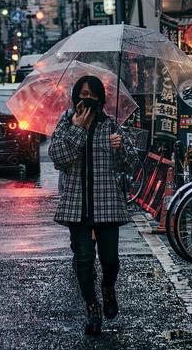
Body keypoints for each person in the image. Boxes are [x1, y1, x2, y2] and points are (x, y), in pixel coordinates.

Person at [48, 75, 129, 336]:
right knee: (82, 260)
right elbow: (59, 158)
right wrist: (77, 129)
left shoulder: (111, 125)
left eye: (92, 94)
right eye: (82, 94)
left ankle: (107, 288)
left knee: (110, 260)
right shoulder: (66, 122)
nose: (87, 100)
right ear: (75, 97)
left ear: (100, 98)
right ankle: (92, 308)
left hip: (107, 204)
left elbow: (129, 166)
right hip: (76, 204)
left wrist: (120, 149)